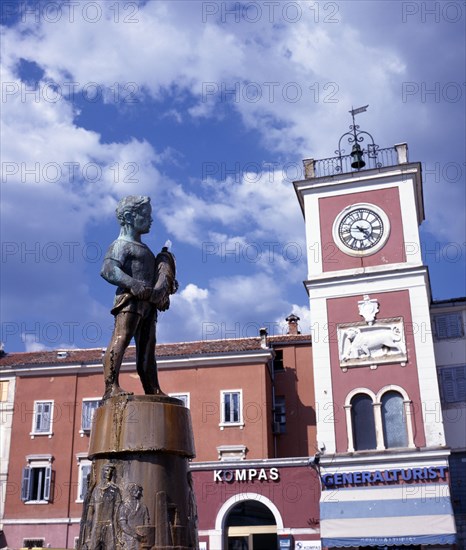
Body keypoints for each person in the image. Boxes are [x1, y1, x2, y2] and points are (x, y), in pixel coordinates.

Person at [101, 196, 177, 399]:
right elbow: (108, 270)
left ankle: (152, 388)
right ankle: (111, 387)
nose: (150, 219)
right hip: (130, 301)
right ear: (128, 216)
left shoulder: (148, 251)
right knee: (121, 339)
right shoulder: (121, 245)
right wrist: (133, 284)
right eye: (146, 214)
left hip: (148, 305)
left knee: (148, 347)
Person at [85, 464, 121, 549]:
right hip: (96, 525)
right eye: (106, 470)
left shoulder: (115, 489)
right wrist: (88, 534)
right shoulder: (96, 490)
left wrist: (118, 532)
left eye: (110, 471)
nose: (109, 472)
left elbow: (118, 511)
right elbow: (90, 512)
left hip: (110, 525)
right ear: (102, 472)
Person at [117, 483, 151, 549]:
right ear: (130, 491)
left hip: (141, 541)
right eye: (135, 490)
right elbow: (123, 525)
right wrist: (135, 535)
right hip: (128, 541)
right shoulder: (124, 507)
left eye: (139, 490)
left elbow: (147, 523)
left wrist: (144, 535)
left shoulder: (143, 507)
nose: (138, 492)